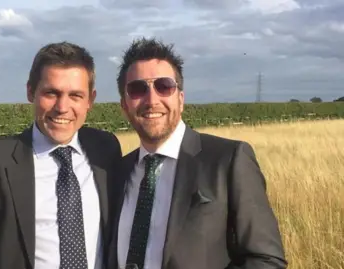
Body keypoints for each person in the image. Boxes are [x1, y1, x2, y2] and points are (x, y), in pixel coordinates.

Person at [0, 41, 122, 269]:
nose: (62, 107)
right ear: (31, 92)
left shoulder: (106, 149)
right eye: (51, 93)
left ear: (90, 100)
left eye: (75, 95)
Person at [108, 37, 287, 269]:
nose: (152, 100)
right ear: (124, 105)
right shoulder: (117, 172)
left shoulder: (228, 160)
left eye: (164, 86)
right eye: (137, 89)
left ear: (180, 99)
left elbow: (266, 260)